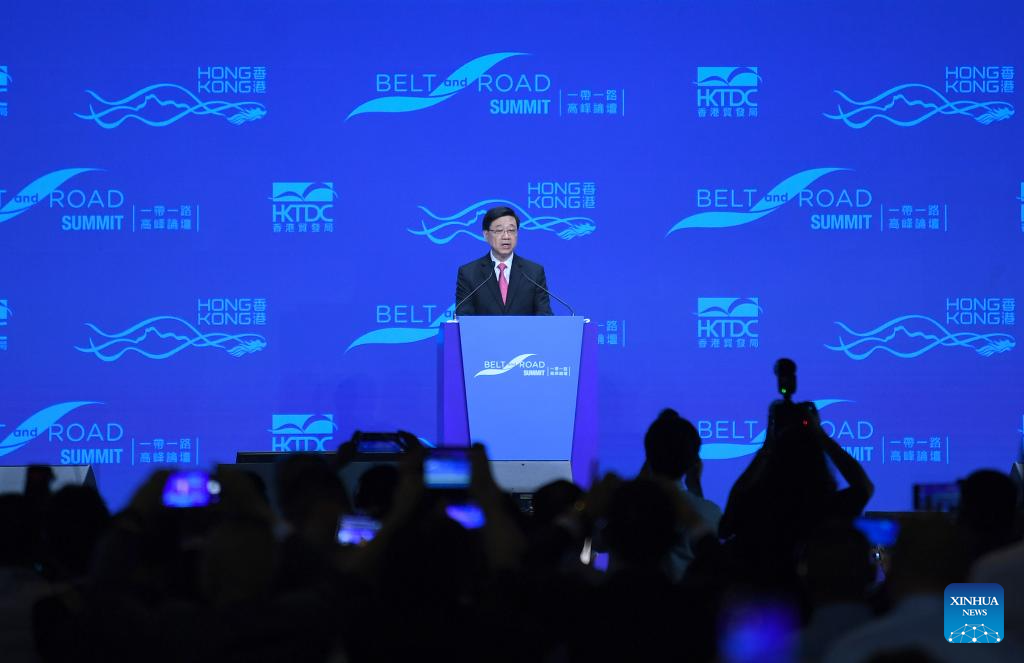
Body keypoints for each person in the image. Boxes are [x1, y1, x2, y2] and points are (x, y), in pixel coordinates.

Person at [454, 206, 553, 316]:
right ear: (486, 235)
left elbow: (544, 315)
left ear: (517, 233)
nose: (506, 236)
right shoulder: (469, 273)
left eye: (511, 230)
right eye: (499, 230)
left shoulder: (534, 272)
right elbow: (464, 317)